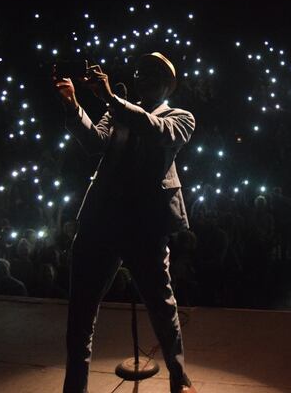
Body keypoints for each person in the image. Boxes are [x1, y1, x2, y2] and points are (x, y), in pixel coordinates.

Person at [54, 52, 197, 393]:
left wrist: (110, 98)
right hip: (100, 220)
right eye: (140, 73)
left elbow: (153, 128)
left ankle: (179, 377)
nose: (141, 79)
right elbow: (94, 144)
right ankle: (75, 387)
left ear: (168, 85)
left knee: (162, 306)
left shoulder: (180, 117)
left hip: (145, 225)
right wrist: (73, 104)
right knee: (81, 312)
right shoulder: (115, 110)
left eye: (151, 75)